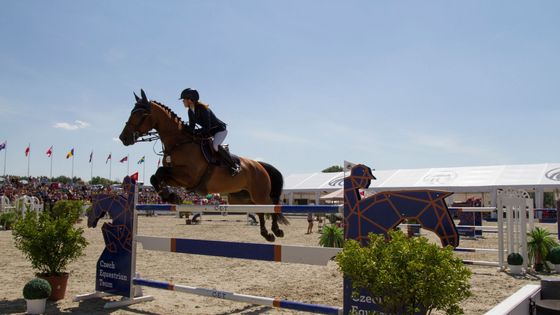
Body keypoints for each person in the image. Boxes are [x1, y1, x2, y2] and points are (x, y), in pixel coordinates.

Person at [179, 88, 240, 176]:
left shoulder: (203, 109)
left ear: (190, 100)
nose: (183, 101)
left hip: (219, 130)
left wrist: (195, 132)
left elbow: (206, 128)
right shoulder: (190, 111)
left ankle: (234, 165)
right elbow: (191, 127)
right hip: (209, 132)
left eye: (183, 99)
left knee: (215, 146)